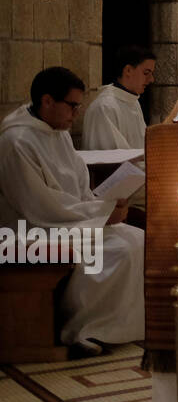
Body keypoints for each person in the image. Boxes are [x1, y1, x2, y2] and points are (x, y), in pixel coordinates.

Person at [0, 68, 143, 355]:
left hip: (67, 218)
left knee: (137, 239)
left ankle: (117, 326)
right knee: (117, 250)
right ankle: (80, 328)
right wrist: (101, 214)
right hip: (30, 227)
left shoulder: (57, 129)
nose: (76, 114)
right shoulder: (16, 141)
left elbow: (78, 185)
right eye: (72, 105)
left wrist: (108, 203)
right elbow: (39, 204)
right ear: (47, 101)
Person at [81, 45, 154, 151]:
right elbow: (112, 159)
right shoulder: (104, 107)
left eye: (152, 73)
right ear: (128, 70)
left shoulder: (134, 102)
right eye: (146, 73)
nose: (151, 79)